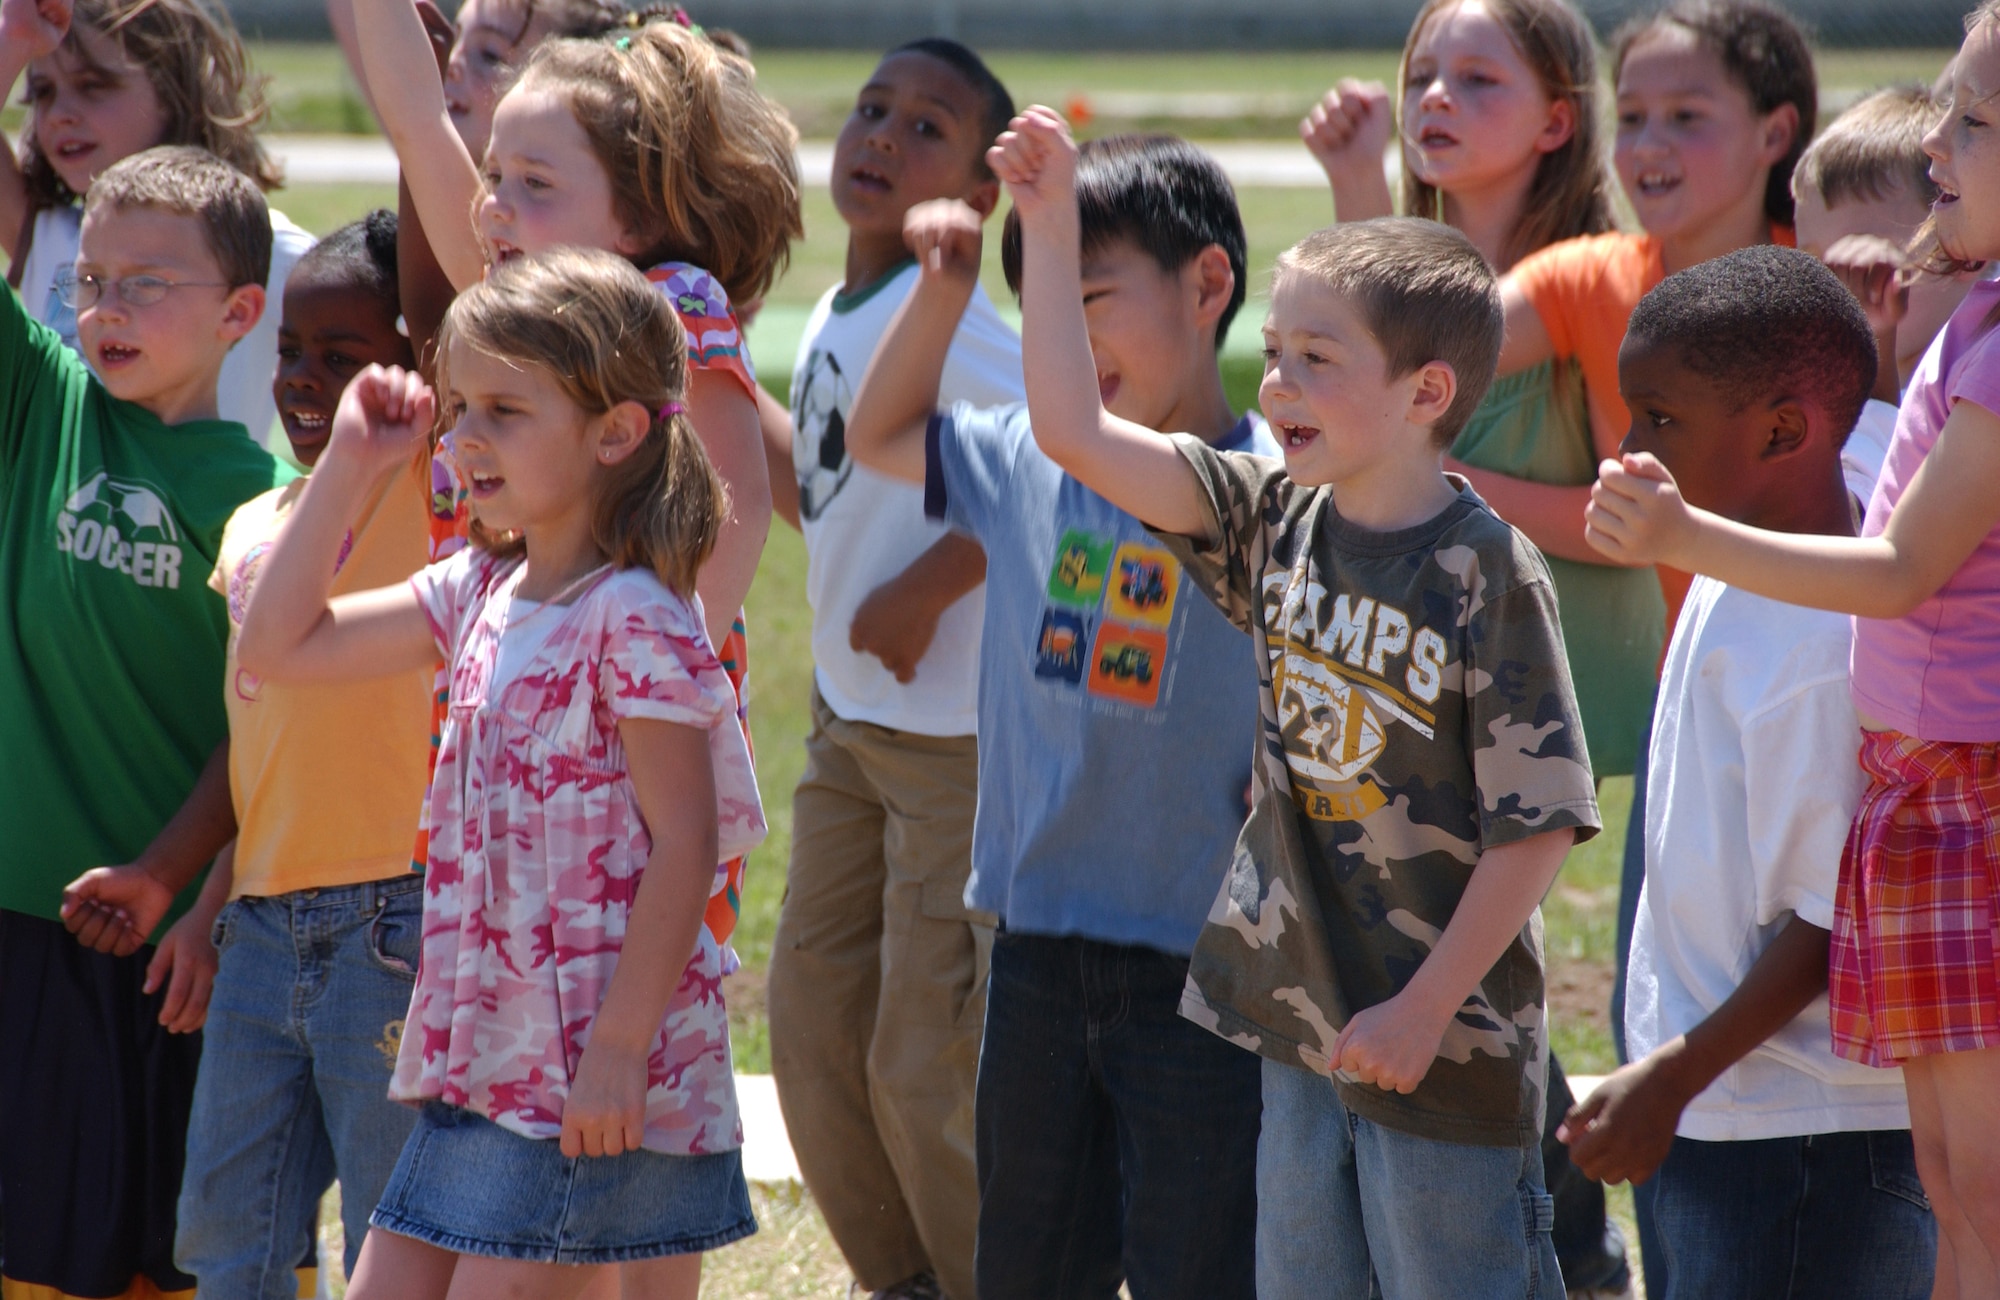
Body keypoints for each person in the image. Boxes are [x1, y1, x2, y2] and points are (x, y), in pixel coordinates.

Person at [987, 107, 1602, 1299]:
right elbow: (1071, 429)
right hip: (1293, 1014)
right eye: (1272, 352)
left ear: (1426, 390)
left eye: (1316, 359)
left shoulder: (1484, 569)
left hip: (1446, 1043)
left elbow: (1533, 830)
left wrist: (1424, 1009)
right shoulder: (1269, 517)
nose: (1274, 383)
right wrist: (1048, 219)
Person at [234, 247, 765, 1296]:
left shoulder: (637, 616)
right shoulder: (480, 587)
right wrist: (348, 464)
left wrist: (616, 1049)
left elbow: (687, 847)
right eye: (458, 406)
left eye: (504, 412)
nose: (463, 438)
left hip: (587, 1062)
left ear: (614, 432)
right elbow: (275, 645)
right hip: (488, 1054)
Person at [1585, 9, 2000, 1291]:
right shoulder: (1963, 332)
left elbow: (1897, 571)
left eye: (1974, 120)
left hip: (1812, 1087)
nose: (1939, 137)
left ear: (1776, 432)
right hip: (1908, 815)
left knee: (1975, 1192)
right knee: (1955, 1187)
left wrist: (1683, 531)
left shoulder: (1792, 590)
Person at [844, 132, 1273, 1299]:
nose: (1066, 343)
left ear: (1206, 287)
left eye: (1089, 296)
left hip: (1205, 970)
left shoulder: (1271, 491)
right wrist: (942, 288)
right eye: (1043, 305)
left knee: (1197, 1267)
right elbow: (875, 435)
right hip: (1033, 946)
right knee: (1030, 1263)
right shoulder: (1028, 461)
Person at [353, 2, 799, 956]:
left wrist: (621, 695)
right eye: (495, 178)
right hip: (505, 742)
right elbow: (420, 124)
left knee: (627, 1049)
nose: (495, 204)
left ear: (633, 218)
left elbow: (740, 509)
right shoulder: (507, 310)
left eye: (535, 184)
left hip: (630, 759)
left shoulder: (668, 309)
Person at [60, 211, 430, 1296]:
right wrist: (177, 881)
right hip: (262, 926)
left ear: (414, 374)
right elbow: (253, 740)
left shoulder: (423, 492)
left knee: (390, 1229)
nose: (306, 380)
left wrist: (424, 115)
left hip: (391, 924)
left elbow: (452, 289)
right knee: (225, 1225)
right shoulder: (259, 521)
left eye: (344, 355)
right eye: (291, 352)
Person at [1558, 245, 1936, 1299]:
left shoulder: (1821, 646)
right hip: (1721, 1106)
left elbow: (1830, 921)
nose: (1628, 448)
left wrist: (1671, 1077)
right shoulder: (1753, 542)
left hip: (1795, 1133)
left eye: (1661, 420)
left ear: (1779, 431)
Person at [0, 145, 292, 1300]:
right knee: (35, 1249)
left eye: (144, 285)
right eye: (90, 281)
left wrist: (199, 896)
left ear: (239, 312)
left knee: (169, 1257)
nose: (104, 308)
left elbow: (262, 731)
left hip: (172, 945)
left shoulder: (265, 501)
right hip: (28, 912)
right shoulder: (45, 404)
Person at [754, 38, 1021, 1300]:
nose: (880, 136)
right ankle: (896, 1277)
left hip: (953, 750)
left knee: (921, 1057)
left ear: (978, 196)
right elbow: (831, 476)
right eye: (870, 109)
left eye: (926, 128)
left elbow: (1061, 478)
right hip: (846, 729)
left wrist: (927, 588)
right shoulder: (839, 301)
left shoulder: (960, 329)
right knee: (809, 1026)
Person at [0, 0, 314, 451]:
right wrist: (14, 41)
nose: (60, 113)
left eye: (93, 85)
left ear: (173, 90)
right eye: (44, 92)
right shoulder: (50, 237)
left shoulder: (267, 248)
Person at [1792, 85, 1976, 492]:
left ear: (1964, 250)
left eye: (1863, 260)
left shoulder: (1972, 391)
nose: (1833, 286)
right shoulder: (1813, 392)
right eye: (1812, 263)